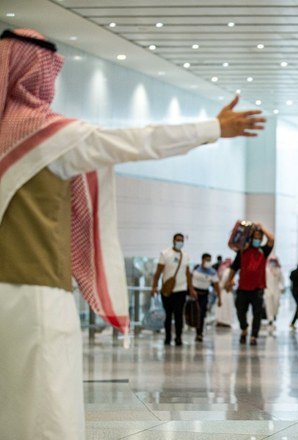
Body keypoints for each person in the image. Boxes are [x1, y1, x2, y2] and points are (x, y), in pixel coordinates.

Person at [0, 29, 264, 439]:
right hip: (36, 300)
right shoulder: (52, 139)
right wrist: (212, 127)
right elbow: (136, 142)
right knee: (47, 410)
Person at [224, 224, 275, 346]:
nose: (257, 240)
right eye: (255, 237)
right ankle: (244, 328)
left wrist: (261, 227)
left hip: (258, 288)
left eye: (260, 237)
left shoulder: (263, 251)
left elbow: (271, 239)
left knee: (257, 313)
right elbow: (234, 267)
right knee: (240, 311)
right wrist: (228, 281)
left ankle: (253, 335)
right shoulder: (242, 252)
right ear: (251, 238)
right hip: (242, 288)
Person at [150, 233, 195, 346]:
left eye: (181, 240)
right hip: (167, 290)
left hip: (181, 290)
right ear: (173, 241)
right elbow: (158, 272)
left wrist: (191, 289)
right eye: (178, 240)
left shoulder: (185, 256)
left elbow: (187, 274)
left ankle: (178, 337)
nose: (180, 242)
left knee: (179, 314)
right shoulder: (165, 254)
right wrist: (154, 286)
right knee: (168, 315)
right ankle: (168, 337)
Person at [191, 253, 222, 342]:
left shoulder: (212, 272)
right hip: (194, 293)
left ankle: (199, 333)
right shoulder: (196, 268)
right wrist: (191, 290)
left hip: (204, 294)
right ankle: (195, 329)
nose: (208, 262)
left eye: (209, 260)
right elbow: (190, 279)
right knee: (193, 313)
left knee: (201, 313)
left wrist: (220, 298)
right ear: (202, 260)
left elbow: (216, 286)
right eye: (206, 260)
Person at [264, 256, 285, 330]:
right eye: (271, 261)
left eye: (274, 261)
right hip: (268, 290)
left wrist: (282, 287)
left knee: (276, 304)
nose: (272, 263)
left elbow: (282, 280)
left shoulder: (279, 270)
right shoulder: (266, 270)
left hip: (276, 290)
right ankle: (270, 319)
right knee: (269, 305)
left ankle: (274, 315)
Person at [215, 257, 235, 327]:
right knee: (226, 307)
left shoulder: (222, 269)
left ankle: (221, 321)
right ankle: (225, 321)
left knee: (222, 307)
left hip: (222, 291)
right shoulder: (229, 271)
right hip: (226, 291)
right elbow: (229, 282)